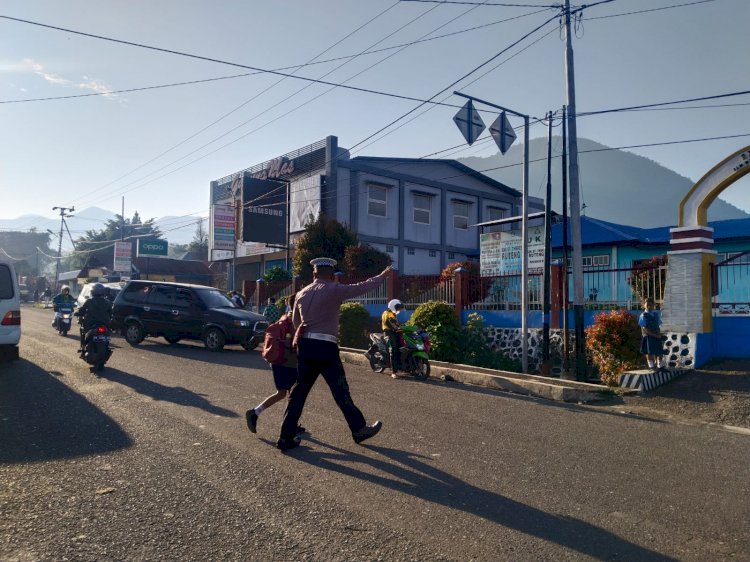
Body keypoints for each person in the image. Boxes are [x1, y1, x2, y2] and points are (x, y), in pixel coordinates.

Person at [276, 258, 392, 451]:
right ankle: (359, 429)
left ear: (314, 274)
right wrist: (383, 276)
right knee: (340, 391)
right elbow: (362, 287)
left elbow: (296, 323)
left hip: (306, 346)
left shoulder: (301, 294)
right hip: (326, 347)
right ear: (331, 275)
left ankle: (285, 437)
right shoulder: (334, 288)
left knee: (298, 393)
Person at [246, 294, 305, 435]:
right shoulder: (293, 321)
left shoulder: (285, 317)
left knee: (286, 393)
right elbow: (295, 343)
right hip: (287, 363)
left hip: (278, 361)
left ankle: (287, 422)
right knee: (290, 394)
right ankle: (256, 413)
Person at [75, 283, 113, 352]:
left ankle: (82, 347)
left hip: (91, 324)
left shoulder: (89, 301)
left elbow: (82, 311)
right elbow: (111, 313)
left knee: (83, 330)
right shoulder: (108, 302)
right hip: (104, 324)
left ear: (92, 292)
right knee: (107, 335)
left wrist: (77, 313)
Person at [638, 297, 665, 372]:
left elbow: (658, 325)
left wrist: (658, 334)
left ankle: (660, 366)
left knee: (659, 351)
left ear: (653, 305)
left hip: (656, 335)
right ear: (644, 305)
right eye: (647, 305)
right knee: (649, 352)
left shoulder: (656, 314)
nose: (649, 306)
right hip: (648, 336)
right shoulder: (643, 315)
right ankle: (651, 366)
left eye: (651, 305)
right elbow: (644, 329)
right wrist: (655, 335)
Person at [382, 298, 405, 378]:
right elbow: (391, 324)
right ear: (393, 306)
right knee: (393, 351)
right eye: (398, 307)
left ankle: (400, 368)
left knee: (400, 349)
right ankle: (393, 372)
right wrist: (397, 328)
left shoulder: (393, 314)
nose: (399, 309)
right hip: (389, 334)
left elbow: (397, 325)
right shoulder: (387, 313)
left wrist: (403, 328)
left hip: (395, 333)